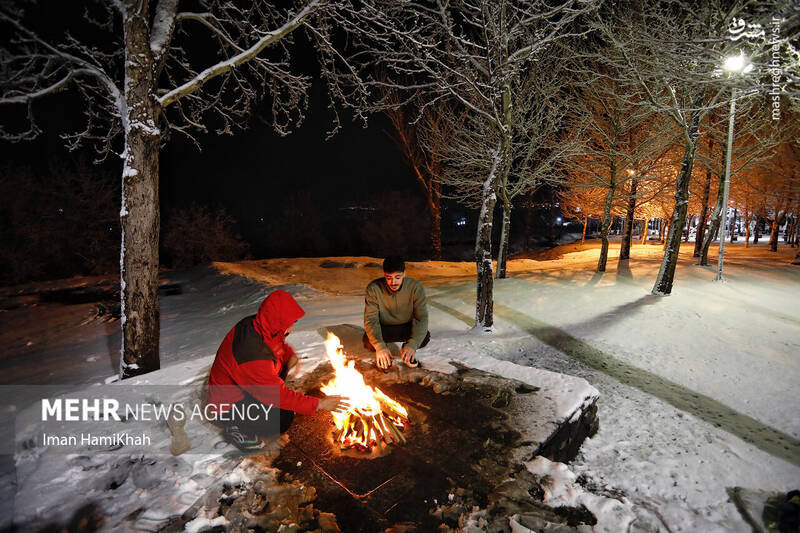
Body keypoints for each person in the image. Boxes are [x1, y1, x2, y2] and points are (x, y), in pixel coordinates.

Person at [207, 289, 348, 451]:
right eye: (289, 325)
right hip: (227, 403)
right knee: (282, 418)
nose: (291, 330)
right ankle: (236, 427)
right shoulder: (252, 354)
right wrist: (321, 403)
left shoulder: (256, 323)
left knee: (282, 374)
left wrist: (289, 355)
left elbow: (273, 342)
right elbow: (276, 395)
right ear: (277, 321)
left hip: (245, 384)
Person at [363, 256, 430, 370]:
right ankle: (385, 356)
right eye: (388, 278)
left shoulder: (415, 287)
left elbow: (421, 318)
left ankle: (406, 352)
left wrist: (412, 344)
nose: (393, 282)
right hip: (385, 328)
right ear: (384, 275)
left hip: (406, 327)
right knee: (368, 341)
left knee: (424, 337)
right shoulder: (373, 288)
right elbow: (371, 319)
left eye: (397, 277)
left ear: (404, 274)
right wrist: (380, 346)